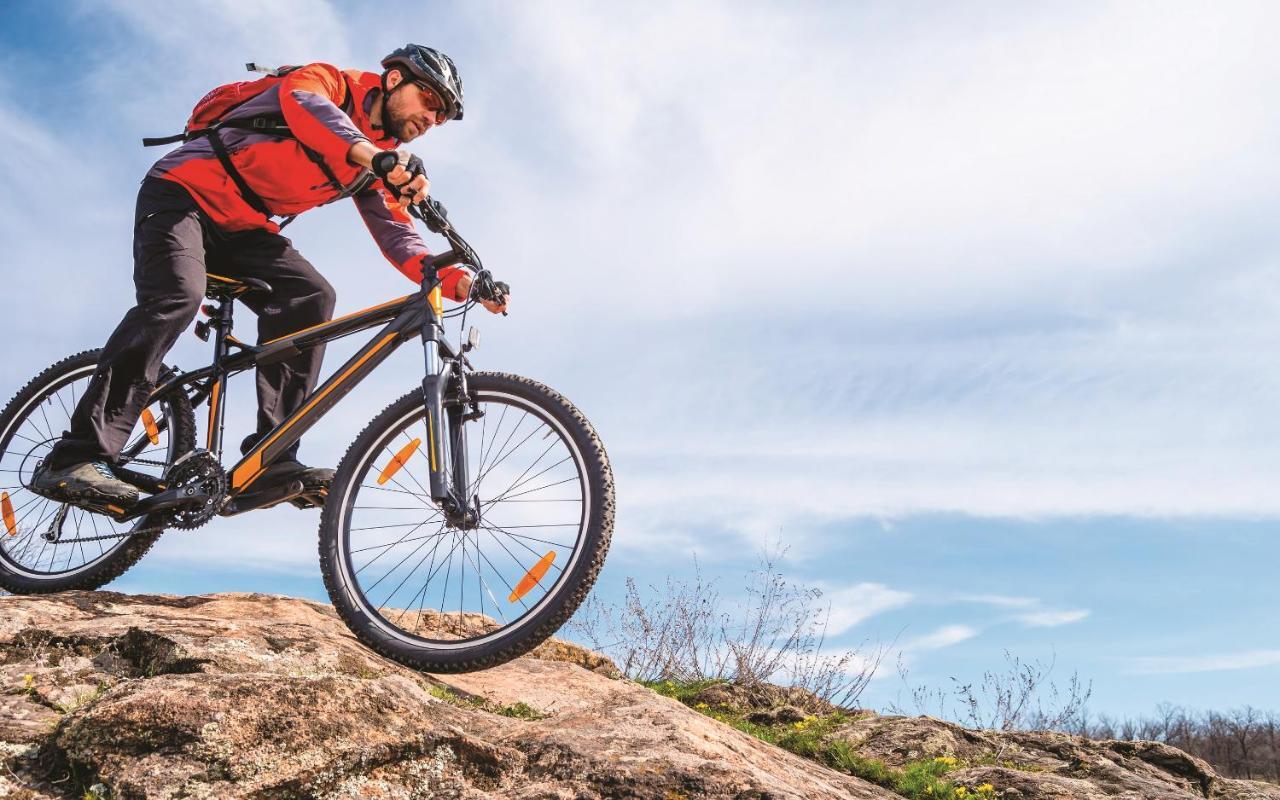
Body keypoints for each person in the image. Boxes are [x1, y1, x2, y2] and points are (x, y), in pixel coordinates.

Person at [31, 44, 508, 511]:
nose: (432, 119)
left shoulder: (381, 161)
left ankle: (269, 462)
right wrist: (374, 157)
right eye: (431, 100)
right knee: (179, 295)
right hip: (181, 195)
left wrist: (462, 283)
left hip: (244, 228)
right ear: (395, 78)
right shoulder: (329, 84)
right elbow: (306, 110)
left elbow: (401, 238)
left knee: (311, 296)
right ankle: (78, 456)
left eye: (443, 116)